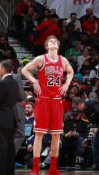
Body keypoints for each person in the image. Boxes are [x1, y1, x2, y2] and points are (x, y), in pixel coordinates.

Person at [22, 35, 74, 175]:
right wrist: (34, 81)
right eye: (50, 41)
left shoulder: (63, 60)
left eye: (55, 41)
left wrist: (67, 84)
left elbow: (71, 71)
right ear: (46, 46)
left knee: (56, 136)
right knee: (39, 134)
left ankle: (53, 168)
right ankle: (35, 168)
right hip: (43, 100)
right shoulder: (41, 59)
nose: (53, 42)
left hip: (57, 101)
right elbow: (25, 70)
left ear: (58, 45)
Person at [0, 59, 22, 175]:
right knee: (10, 147)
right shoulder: (14, 83)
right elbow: (19, 98)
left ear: (3, 69)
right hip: (11, 118)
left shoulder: (2, 83)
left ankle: (0, 172)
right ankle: (9, 171)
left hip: (1, 118)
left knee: (1, 147)